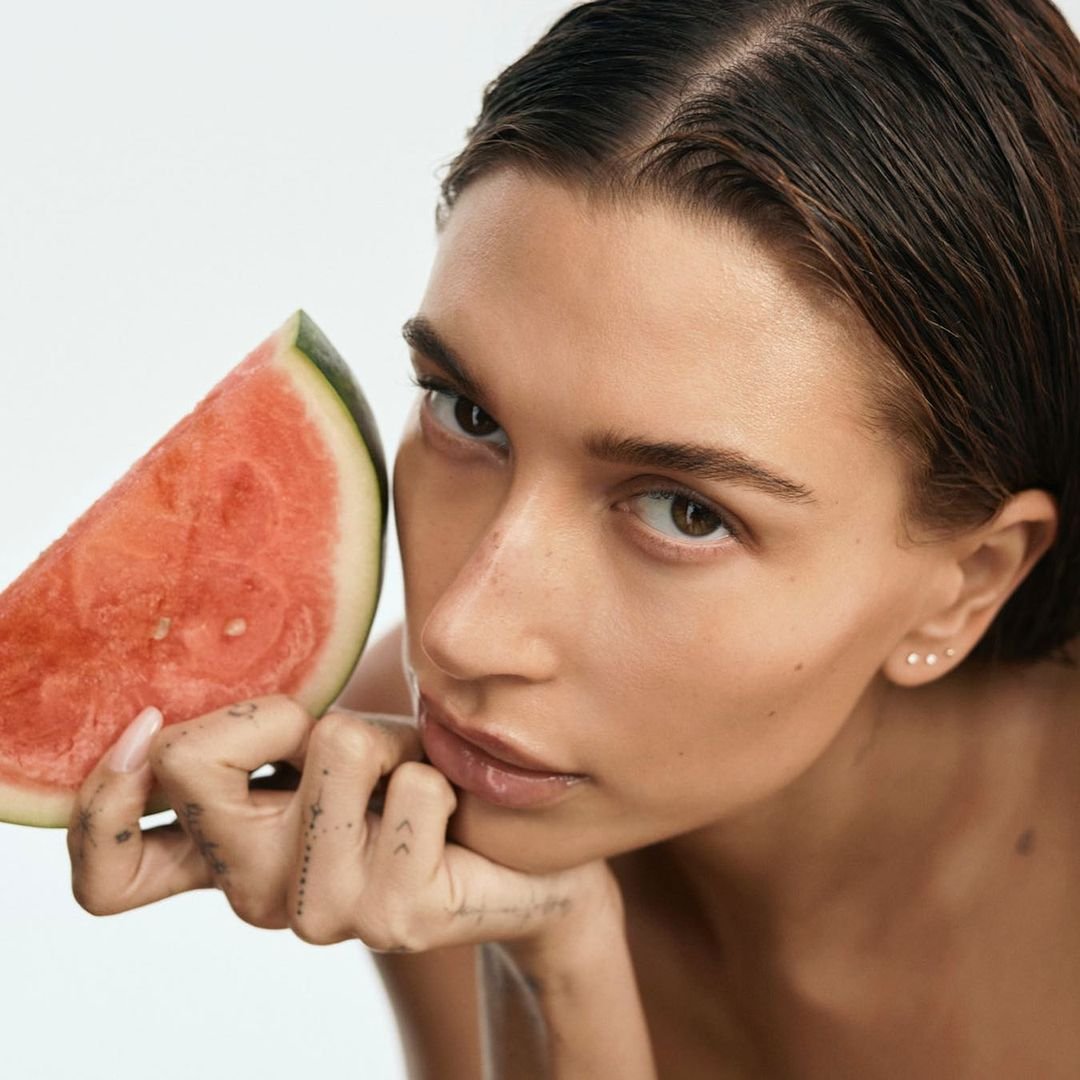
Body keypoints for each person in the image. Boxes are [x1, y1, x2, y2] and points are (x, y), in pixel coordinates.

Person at [66, 1, 1079, 1076]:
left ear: (968, 583)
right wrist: (552, 960)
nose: (456, 635)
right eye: (467, 414)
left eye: (684, 511)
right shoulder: (400, 787)